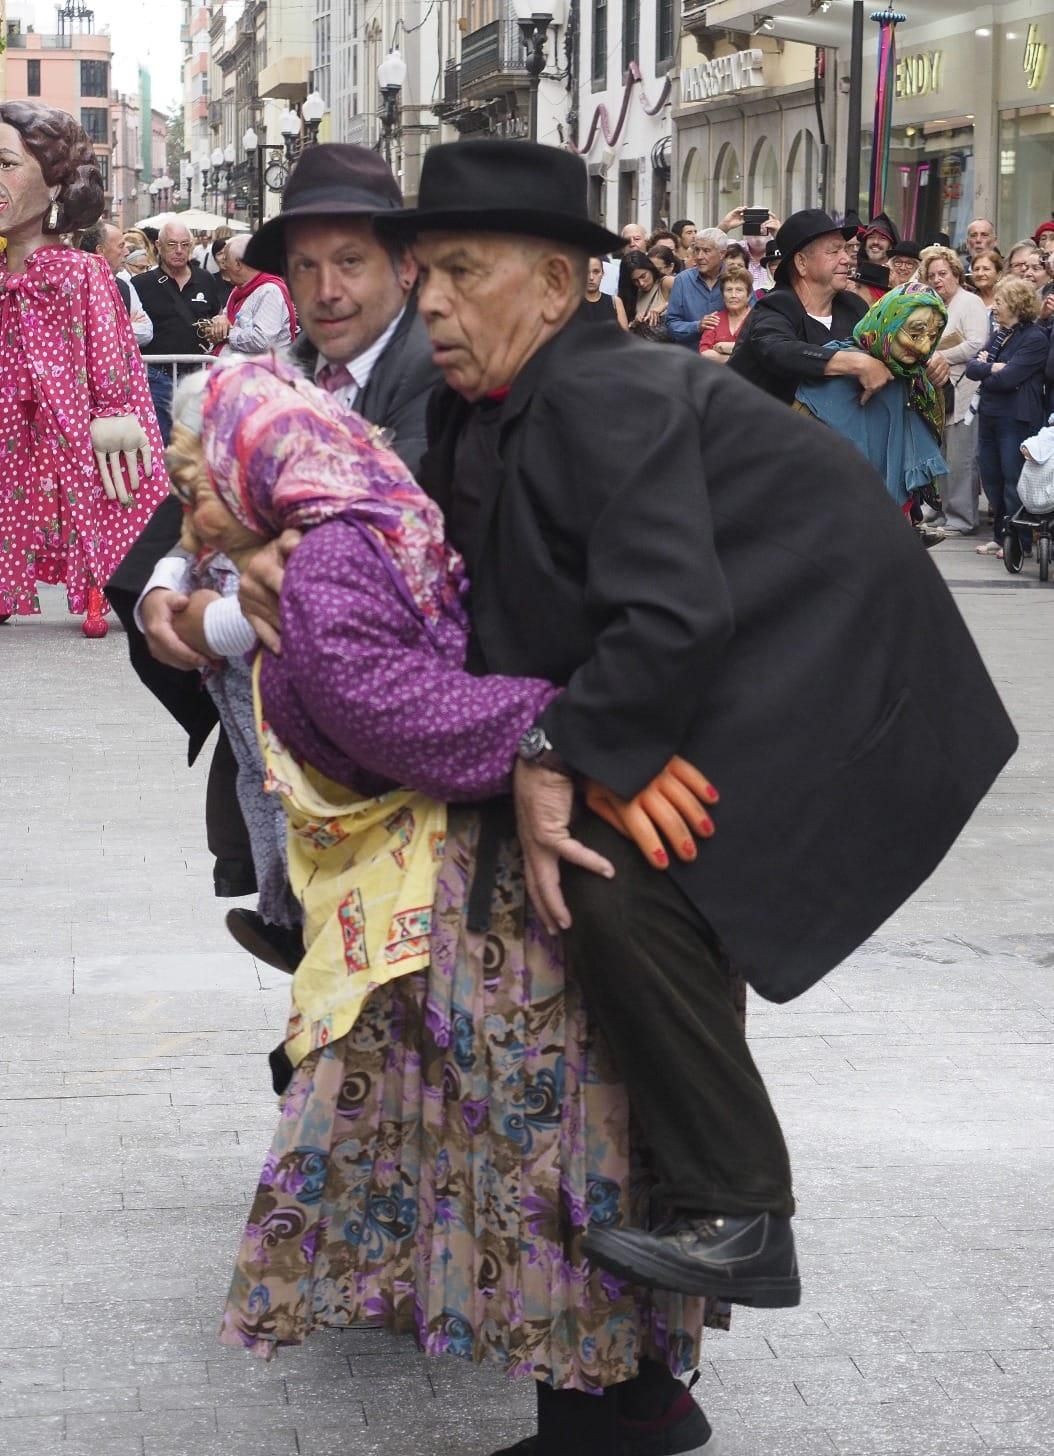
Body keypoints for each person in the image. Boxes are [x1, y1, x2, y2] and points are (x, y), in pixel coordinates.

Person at [241, 137, 1018, 1454]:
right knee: (599, 883)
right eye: (424, 273)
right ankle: (665, 1308)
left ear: (554, 284)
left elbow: (668, 612)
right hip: (723, 666)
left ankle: (737, 1210)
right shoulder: (503, 406)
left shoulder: (604, 391)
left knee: (614, 887)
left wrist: (562, 759)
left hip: (817, 670)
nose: (426, 301)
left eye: (462, 273)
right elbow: (476, 590)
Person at [181, 356, 721, 1456]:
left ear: (254, 464)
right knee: (594, 1135)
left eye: (195, 477)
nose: (186, 504)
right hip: (498, 874)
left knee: (536, 1153)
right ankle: (643, 1391)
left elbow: (401, 713)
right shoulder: (369, 522)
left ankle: (599, 1413)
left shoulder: (327, 561)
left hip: (476, 893)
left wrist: (563, 729)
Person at [105, 143, 441, 955]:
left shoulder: (440, 376)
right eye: (306, 265)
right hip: (286, 754)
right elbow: (196, 490)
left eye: (351, 261)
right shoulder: (284, 368)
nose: (327, 289)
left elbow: (367, 558)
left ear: (403, 267)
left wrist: (211, 624)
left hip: (384, 763)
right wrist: (162, 586)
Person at [0, 100, 168, 637]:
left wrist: (114, 409)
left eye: (6, 164)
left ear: (54, 182)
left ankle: (105, 579)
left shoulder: (81, 269)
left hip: (72, 404)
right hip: (10, 404)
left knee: (96, 478)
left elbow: (107, 345)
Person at [795, 284, 950, 516]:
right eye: (915, 334)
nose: (924, 346)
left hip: (891, 516)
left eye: (932, 336)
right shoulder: (843, 367)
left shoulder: (912, 377)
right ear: (888, 321)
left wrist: (938, 377)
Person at [725, 209, 874, 403]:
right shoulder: (775, 306)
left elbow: (883, 343)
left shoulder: (853, 306)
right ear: (801, 263)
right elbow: (778, 350)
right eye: (834, 251)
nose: (846, 259)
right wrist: (854, 362)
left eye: (845, 249)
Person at [968, 276, 1050, 558]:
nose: (995, 307)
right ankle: (1000, 534)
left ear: (1015, 304)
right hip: (990, 413)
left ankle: (1019, 540)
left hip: (1016, 418)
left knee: (1013, 477)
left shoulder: (1035, 338)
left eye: (1000, 302)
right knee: (991, 476)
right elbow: (972, 368)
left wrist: (987, 368)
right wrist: (992, 368)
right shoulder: (1002, 334)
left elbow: (1010, 377)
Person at [920, 245, 989, 534]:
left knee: (961, 458)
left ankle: (962, 517)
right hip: (939, 389)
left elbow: (976, 343)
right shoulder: (936, 305)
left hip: (965, 389)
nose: (937, 280)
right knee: (942, 456)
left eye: (943, 273)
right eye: (932, 275)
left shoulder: (969, 302)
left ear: (956, 274)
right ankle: (941, 511)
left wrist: (939, 356)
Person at [135, 217, 223, 443]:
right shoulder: (142, 284)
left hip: (196, 375)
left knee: (193, 442)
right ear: (158, 246)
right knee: (160, 440)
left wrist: (221, 322)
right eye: (172, 244)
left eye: (185, 245)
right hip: (155, 375)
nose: (179, 251)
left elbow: (217, 314)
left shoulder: (205, 280)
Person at [205, 232, 297, 356]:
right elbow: (227, 318)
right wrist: (219, 321)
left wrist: (226, 334)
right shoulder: (239, 290)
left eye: (226, 259)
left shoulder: (270, 291)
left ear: (238, 264)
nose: (224, 265)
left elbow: (262, 341)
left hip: (261, 373)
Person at [77, 220, 153, 348]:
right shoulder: (77, 287)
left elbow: (146, 332)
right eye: (121, 246)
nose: (126, 252)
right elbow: (80, 335)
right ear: (101, 250)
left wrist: (111, 331)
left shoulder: (124, 286)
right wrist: (126, 326)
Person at [665, 228, 729, 346]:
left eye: (706, 251)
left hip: (727, 357)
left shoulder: (737, 278)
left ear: (722, 254)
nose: (699, 256)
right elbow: (671, 325)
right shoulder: (683, 280)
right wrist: (697, 326)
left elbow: (751, 320)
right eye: (697, 250)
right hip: (692, 357)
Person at [698, 266, 752, 363]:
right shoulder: (715, 319)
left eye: (739, 290)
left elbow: (758, 351)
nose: (733, 295)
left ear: (749, 295)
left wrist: (722, 347)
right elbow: (704, 354)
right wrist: (738, 359)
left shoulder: (758, 319)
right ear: (723, 295)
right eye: (729, 290)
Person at [614, 249, 672, 333]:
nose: (641, 283)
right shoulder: (632, 294)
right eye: (635, 280)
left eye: (643, 276)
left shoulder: (665, 282)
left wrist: (663, 306)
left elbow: (691, 296)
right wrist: (635, 323)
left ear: (650, 268)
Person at [580, 255, 618, 324]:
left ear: (602, 274)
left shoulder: (615, 302)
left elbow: (624, 333)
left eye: (596, 272)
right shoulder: (572, 304)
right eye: (586, 272)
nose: (591, 277)